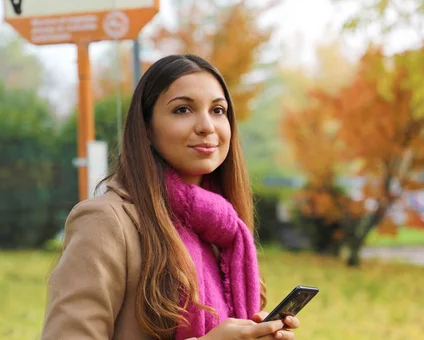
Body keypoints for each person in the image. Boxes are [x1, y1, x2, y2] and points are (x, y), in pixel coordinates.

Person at [41, 54, 301, 340]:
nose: (207, 126)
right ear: (147, 130)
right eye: (183, 110)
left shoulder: (224, 233)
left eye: (217, 110)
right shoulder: (105, 222)